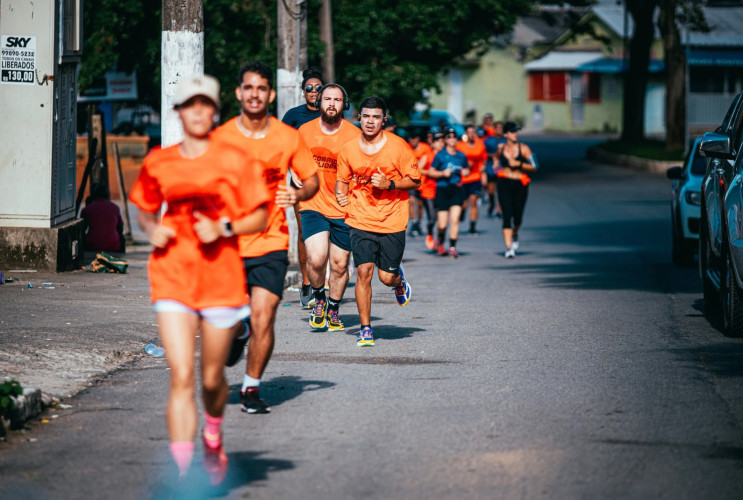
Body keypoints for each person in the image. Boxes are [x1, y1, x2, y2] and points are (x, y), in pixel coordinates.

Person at [128, 75, 271, 484]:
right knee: (181, 376)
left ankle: (212, 432)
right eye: (188, 105)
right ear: (178, 112)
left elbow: (259, 216)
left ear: (214, 111)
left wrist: (225, 226)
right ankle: (183, 472)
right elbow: (144, 210)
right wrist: (151, 228)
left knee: (211, 378)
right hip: (172, 274)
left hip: (220, 278)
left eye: (204, 104)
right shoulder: (160, 160)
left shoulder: (234, 160)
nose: (196, 111)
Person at [211, 61, 319, 413]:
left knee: (264, 316)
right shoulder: (221, 137)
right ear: (239, 93)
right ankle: (236, 334)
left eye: (261, 88)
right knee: (227, 335)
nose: (254, 94)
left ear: (270, 94)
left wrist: (298, 195)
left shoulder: (288, 137)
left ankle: (251, 389)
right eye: (248, 87)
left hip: (271, 240)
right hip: (227, 244)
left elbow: (312, 179)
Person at [335, 96, 420, 346]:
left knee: (385, 277)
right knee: (363, 272)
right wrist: (341, 193)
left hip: (392, 218)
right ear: (358, 118)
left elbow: (415, 180)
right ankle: (366, 328)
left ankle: (398, 281)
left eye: (376, 117)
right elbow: (343, 178)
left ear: (384, 120)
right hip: (360, 218)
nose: (370, 121)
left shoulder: (399, 147)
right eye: (366, 116)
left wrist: (390, 184)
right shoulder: (348, 148)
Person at [297, 84, 361, 331]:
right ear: (319, 102)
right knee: (316, 257)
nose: (331, 104)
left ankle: (333, 307)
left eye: (337, 99)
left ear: (344, 104)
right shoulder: (304, 131)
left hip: (344, 208)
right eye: (327, 99)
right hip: (312, 203)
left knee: (339, 265)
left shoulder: (354, 136)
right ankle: (319, 298)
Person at [281, 66, 325, 309]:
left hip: (327, 182)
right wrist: (291, 170)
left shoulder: (330, 115)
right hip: (300, 181)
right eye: (309, 88)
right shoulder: (294, 116)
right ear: (303, 92)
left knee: (327, 231)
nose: (314, 92)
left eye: (318, 88)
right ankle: (307, 283)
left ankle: (323, 279)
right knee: (304, 231)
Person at [494, 121, 537, 258]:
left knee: (517, 216)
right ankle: (508, 248)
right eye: (512, 132)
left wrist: (519, 163)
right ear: (506, 134)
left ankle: (515, 233)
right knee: (507, 215)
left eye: (516, 131)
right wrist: (496, 165)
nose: (515, 134)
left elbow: (535, 165)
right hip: (504, 182)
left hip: (520, 184)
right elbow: (496, 158)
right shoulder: (500, 148)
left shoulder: (524, 148)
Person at [428, 127, 469, 258]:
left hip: (456, 189)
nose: (452, 139)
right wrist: (442, 173)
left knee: (454, 219)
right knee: (442, 224)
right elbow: (431, 171)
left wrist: (465, 172)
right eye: (449, 137)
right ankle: (440, 239)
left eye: (454, 137)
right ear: (445, 140)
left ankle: (452, 247)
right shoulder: (440, 155)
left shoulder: (461, 155)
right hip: (442, 189)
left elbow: (467, 169)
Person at [456, 124, 488, 236]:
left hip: (475, 177)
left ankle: (473, 226)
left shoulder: (480, 145)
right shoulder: (460, 146)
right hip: (463, 178)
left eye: (472, 132)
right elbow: (455, 160)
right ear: (465, 133)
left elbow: (483, 159)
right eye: (468, 132)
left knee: (474, 201)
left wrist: (483, 171)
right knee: (464, 203)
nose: (471, 134)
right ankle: (462, 213)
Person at [406, 128, 435, 245]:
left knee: (420, 204)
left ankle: (418, 222)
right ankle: (413, 222)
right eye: (411, 138)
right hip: (410, 180)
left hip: (423, 181)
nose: (413, 141)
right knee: (411, 201)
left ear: (418, 139)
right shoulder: (406, 147)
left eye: (415, 138)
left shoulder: (425, 148)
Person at [81, 183, 125, 253]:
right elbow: (120, 228)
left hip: (92, 246)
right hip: (113, 246)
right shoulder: (115, 207)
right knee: (122, 237)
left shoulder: (87, 209)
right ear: (107, 195)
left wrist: (87, 206)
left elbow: (82, 229)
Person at [483, 121, 506, 218]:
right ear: (494, 129)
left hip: (502, 168)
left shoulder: (505, 140)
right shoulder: (488, 140)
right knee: (491, 191)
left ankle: (499, 210)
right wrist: (493, 156)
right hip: (490, 168)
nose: (499, 130)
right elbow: (483, 153)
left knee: (501, 191)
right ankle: (492, 203)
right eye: (498, 128)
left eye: (501, 128)